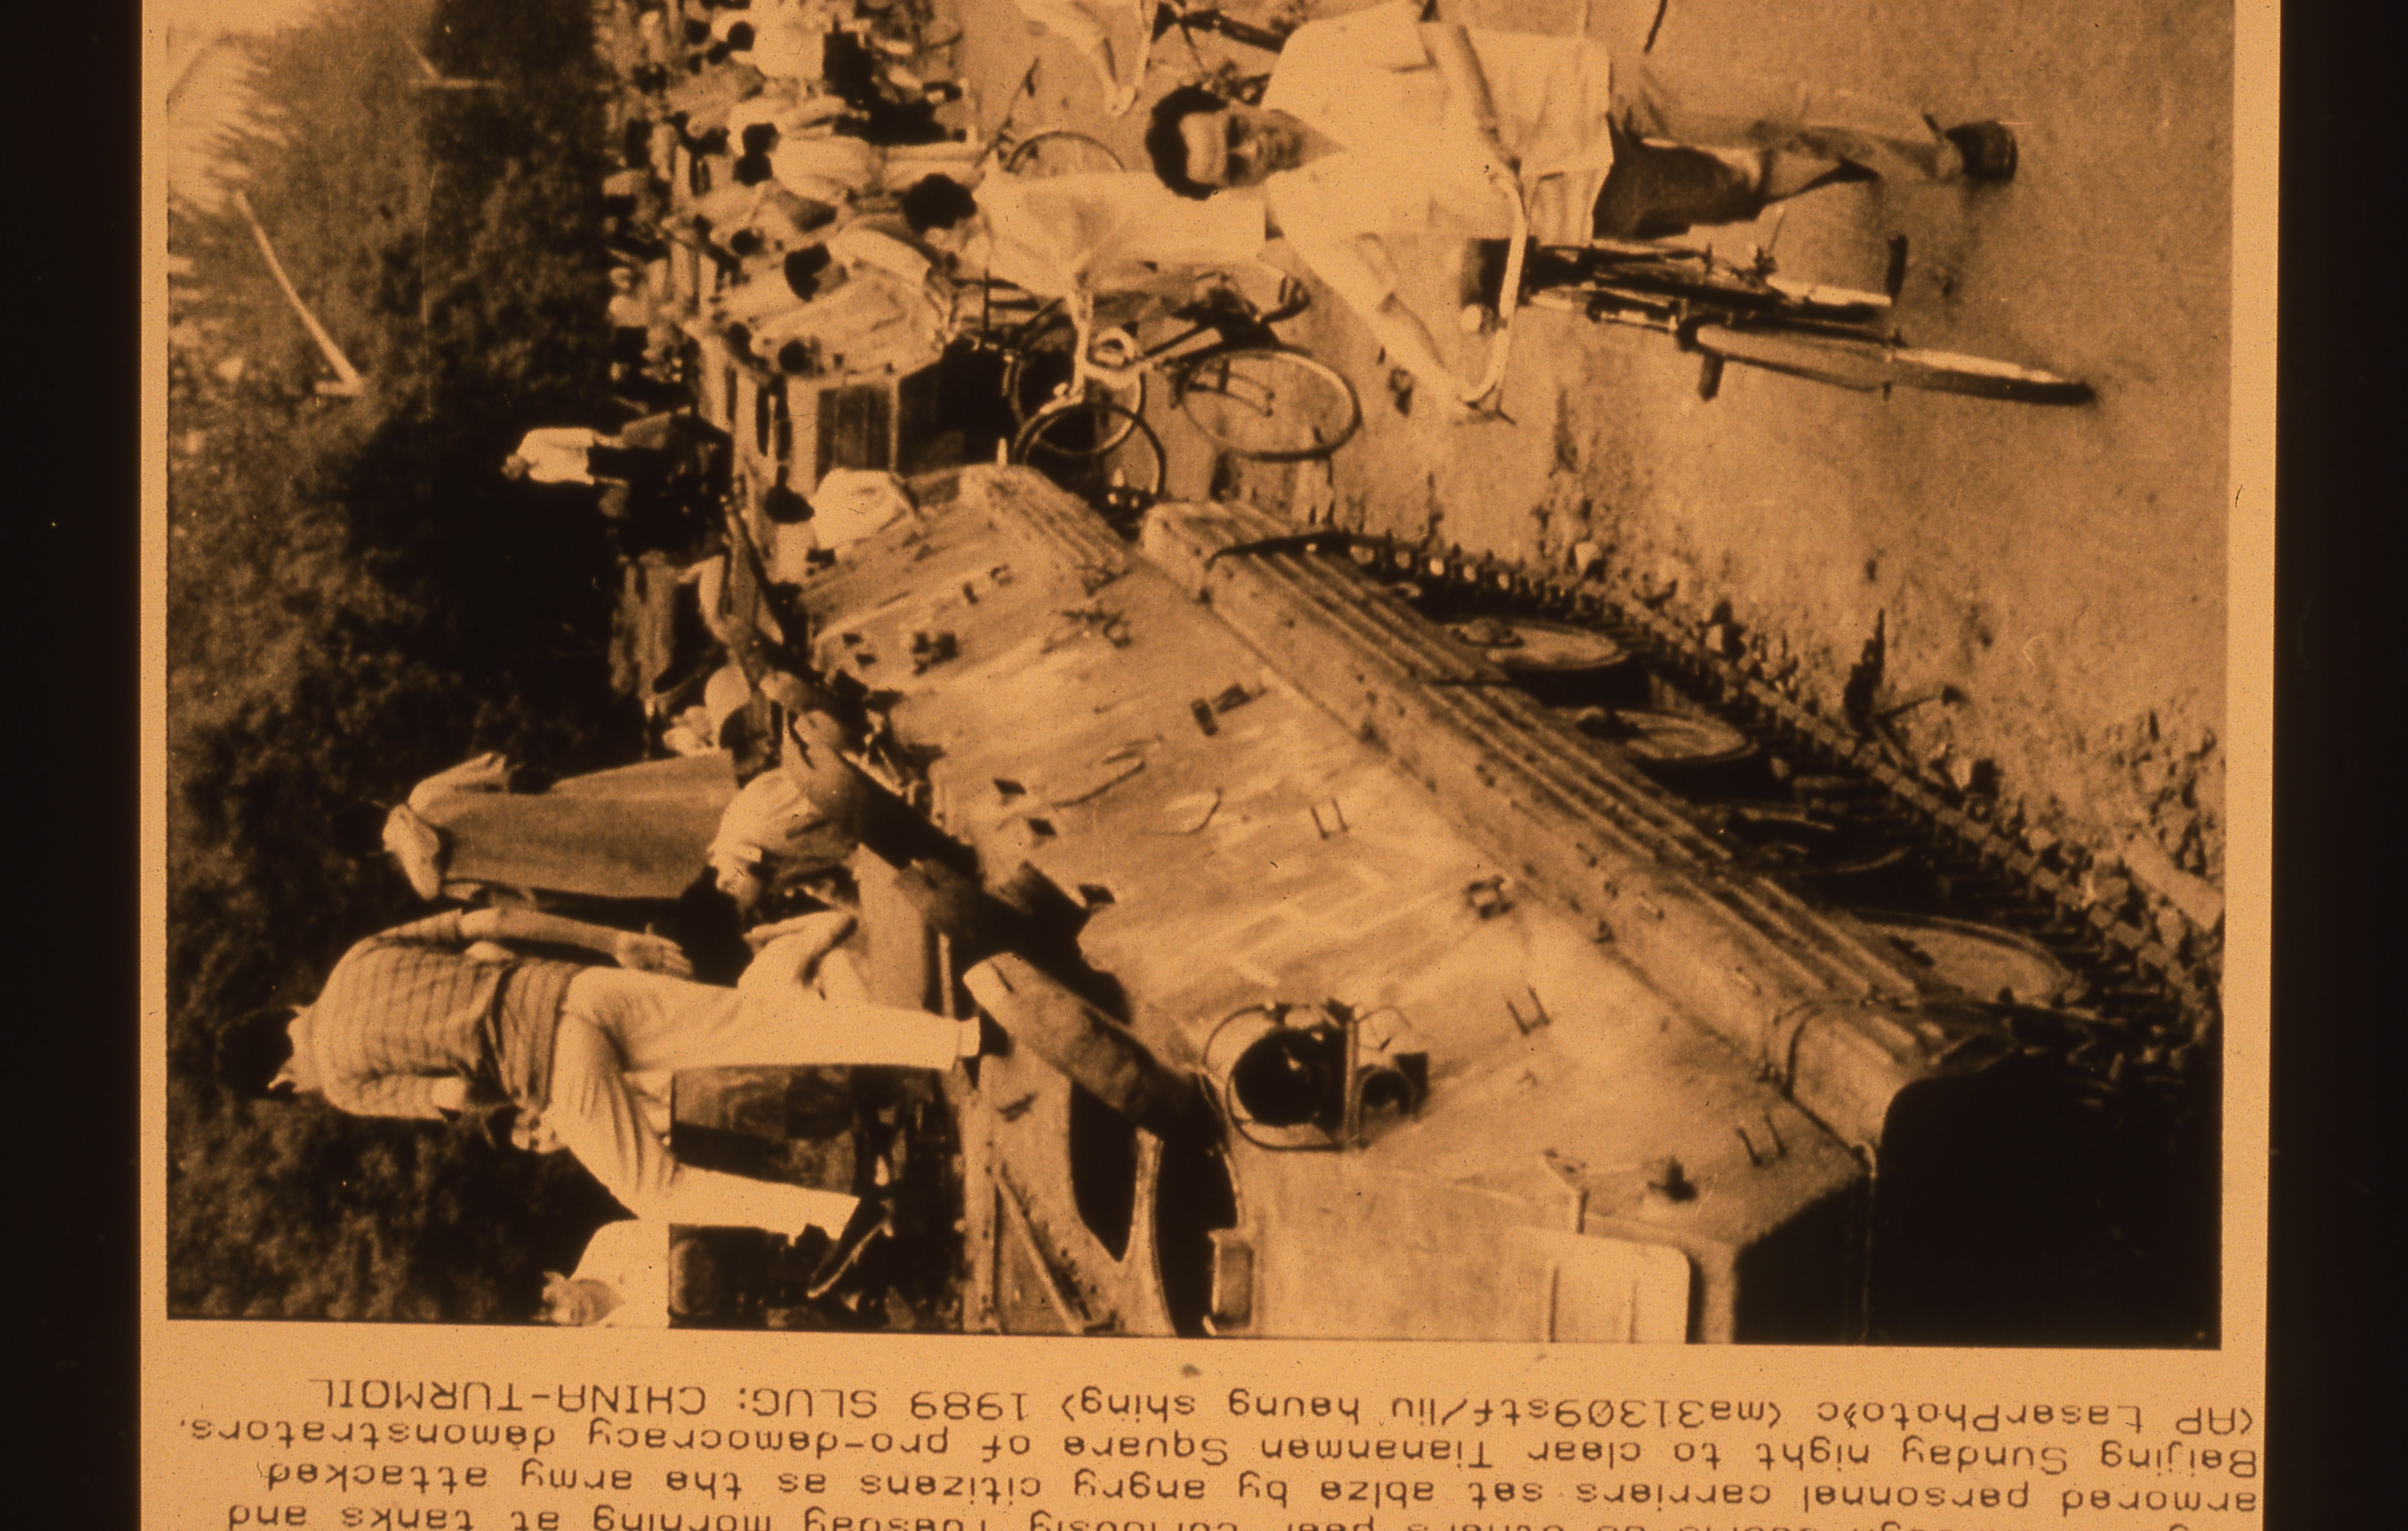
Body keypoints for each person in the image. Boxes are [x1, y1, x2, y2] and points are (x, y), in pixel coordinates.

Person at [1141, 2, 2018, 413]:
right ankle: (1850, 158)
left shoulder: (1311, 56)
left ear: (1229, 97)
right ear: (1233, 191)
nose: (1256, 150)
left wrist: (1483, 122)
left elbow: (1434, 29)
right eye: (1236, 168)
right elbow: (1383, 309)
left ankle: (1935, 149)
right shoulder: (1307, 216)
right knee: (1741, 189)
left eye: (1237, 132)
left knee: (1767, 111)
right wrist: (1447, 384)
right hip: (1572, 196)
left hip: (1575, 93)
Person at [216, 904, 987, 1238]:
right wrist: (614, 941)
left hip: (551, 1061)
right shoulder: (357, 957)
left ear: (282, 1079)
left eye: (293, 1093)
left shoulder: (343, 1084)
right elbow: (491, 925)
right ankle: (956, 1039)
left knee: (654, 1190)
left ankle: (836, 1219)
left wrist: (506, 1103)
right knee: (767, 1023)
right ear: (286, 1012)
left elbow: (455, 1092)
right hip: (578, 986)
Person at [380, 750, 743, 905]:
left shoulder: (427, 877)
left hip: (556, 868)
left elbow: (500, 896)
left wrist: (543, 894)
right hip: (552, 812)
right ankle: (742, 800)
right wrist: (520, 776)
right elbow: (495, 767)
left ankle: (739, 866)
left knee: (643, 867)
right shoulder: (425, 796)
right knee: (642, 805)